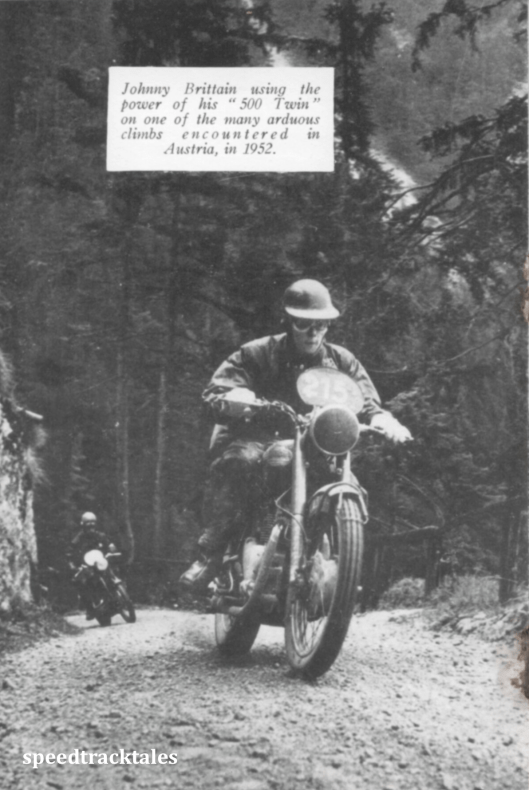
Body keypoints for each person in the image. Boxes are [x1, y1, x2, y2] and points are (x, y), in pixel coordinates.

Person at [179, 279, 411, 591]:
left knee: (348, 484)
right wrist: (238, 399)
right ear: (289, 321)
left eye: (321, 324)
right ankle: (210, 554)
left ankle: (334, 567)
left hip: (316, 443)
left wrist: (385, 421)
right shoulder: (257, 353)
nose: (314, 332)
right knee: (240, 463)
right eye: (304, 324)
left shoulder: (341, 361)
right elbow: (217, 392)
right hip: (259, 437)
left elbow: (365, 401)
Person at [67, 512, 114, 619]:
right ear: (83, 524)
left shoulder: (100, 535)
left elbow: (108, 543)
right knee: (82, 583)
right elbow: (70, 551)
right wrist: (72, 563)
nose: (91, 526)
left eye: (93, 523)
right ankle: (90, 609)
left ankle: (118, 592)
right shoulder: (78, 538)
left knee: (112, 570)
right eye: (88, 523)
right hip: (88, 565)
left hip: (100, 561)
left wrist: (111, 548)